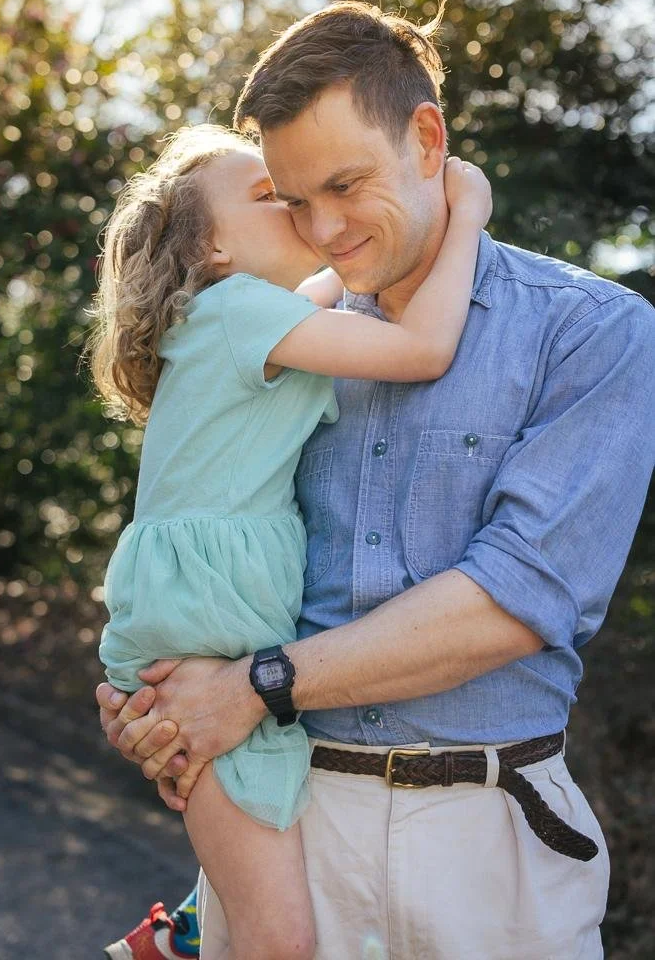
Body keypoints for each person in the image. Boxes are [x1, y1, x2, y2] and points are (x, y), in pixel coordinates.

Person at [98, 0, 655, 960]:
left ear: (427, 138)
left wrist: (252, 686)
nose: (322, 227)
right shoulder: (279, 327)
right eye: (291, 197)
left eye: (345, 184)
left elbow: (518, 600)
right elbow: (199, 539)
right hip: (291, 807)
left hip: (488, 845)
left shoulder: (593, 332)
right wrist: (154, 705)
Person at [91, 117, 491, 960]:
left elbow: (326, 301)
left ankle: (189, 934)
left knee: (258, 880)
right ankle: (190, 938)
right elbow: (421, 348)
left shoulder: (243, 314)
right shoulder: (240, 315)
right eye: (274, 196)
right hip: (205, 620)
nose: (302, 208)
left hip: (211, 614)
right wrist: (468, 215)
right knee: (280, 940)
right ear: (213, 252)